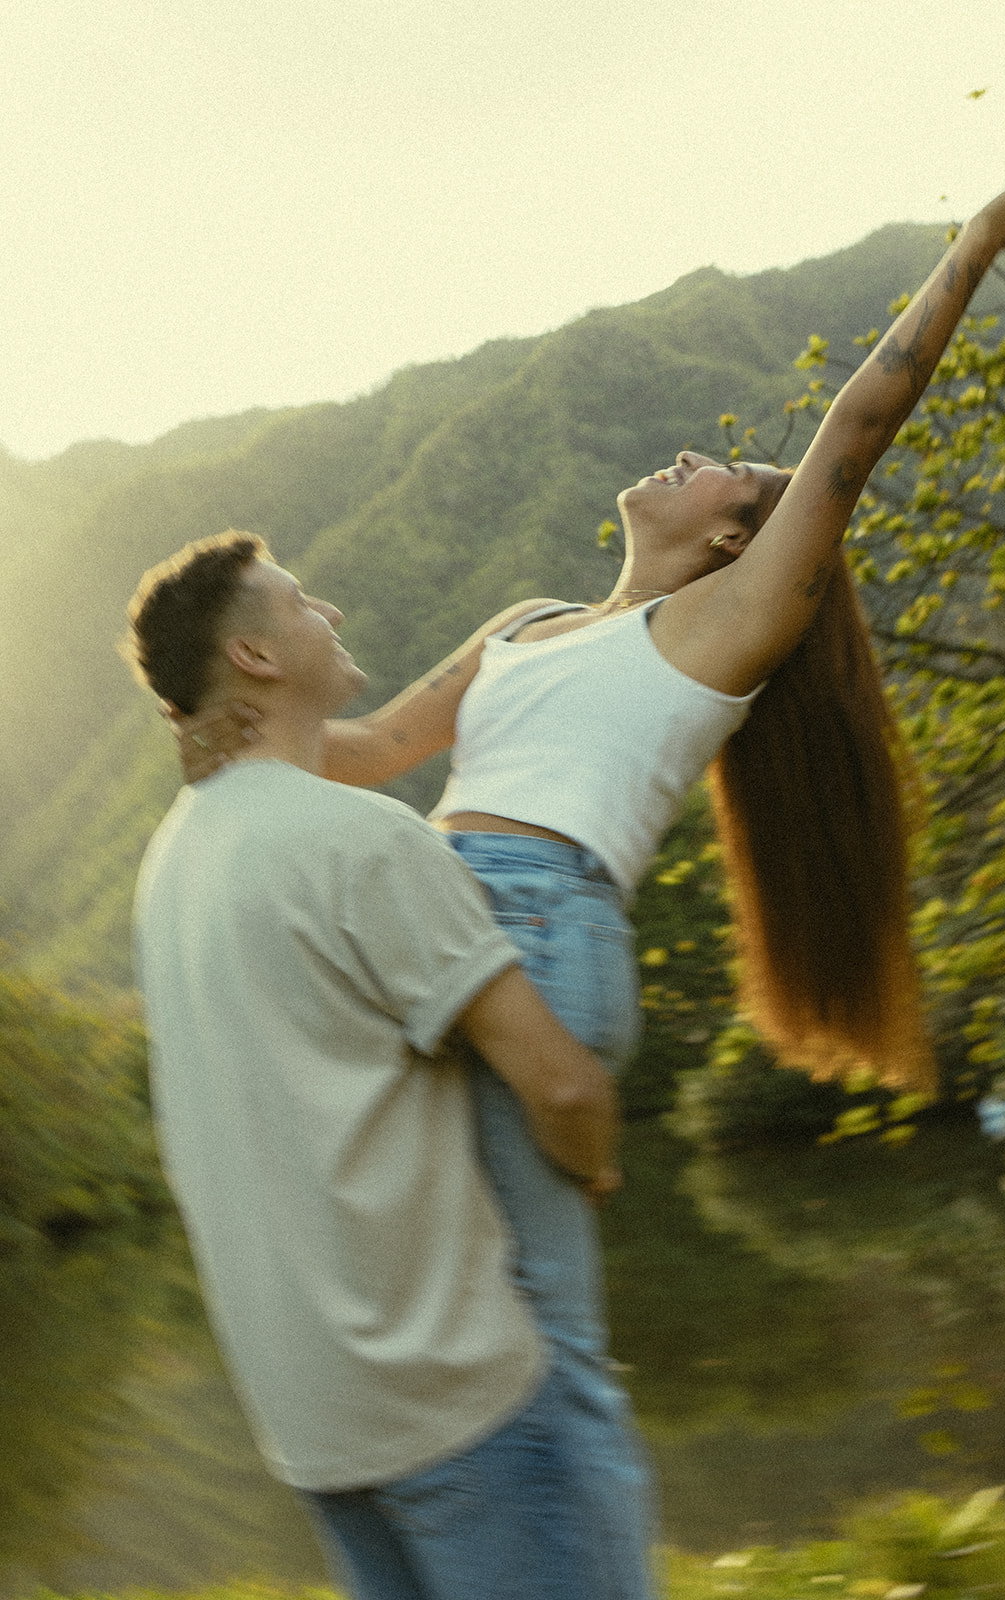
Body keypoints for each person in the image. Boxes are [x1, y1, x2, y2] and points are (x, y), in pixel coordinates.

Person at [178, 140, 1005, 1577]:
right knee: (437, 1320)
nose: (683, 452)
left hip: (531, 931)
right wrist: (210, 699)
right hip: (431, 942)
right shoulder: (529, 623)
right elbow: (372, 752)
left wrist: (980, 235)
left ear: (735, 531)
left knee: (532, 1343)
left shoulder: (722, 632)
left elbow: (853, 427)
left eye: (717, 465)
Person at [125, 531, 639, 1600]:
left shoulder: (173, 858)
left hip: (313, 1427)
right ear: (257, 656)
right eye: (302, 600)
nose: (333, 615)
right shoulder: (362, 838)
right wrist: (585, 1165)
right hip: (458, 1401)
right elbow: (562, 1083)